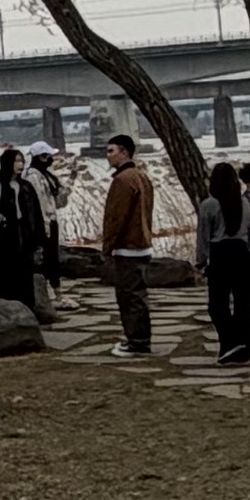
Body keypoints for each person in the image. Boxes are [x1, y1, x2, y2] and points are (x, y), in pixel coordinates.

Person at [197, 156, 250, 363]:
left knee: (217, 304)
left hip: (220, 254)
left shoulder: (209, 205)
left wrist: (200, 261)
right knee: (244, 303)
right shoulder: (243, 202)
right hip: (242, 252)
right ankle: (246, 343)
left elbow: (203, 235)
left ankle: (231, 340)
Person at [99, 134, 158, 356]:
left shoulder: (123, 180)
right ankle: (138, 339)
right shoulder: (142, 177)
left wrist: (107, 246)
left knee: (129, 297)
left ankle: (137, 341)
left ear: (125, 152)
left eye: (111, 151)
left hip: (128, 247)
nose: (108, 156)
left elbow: (115, 217)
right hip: (142, 243)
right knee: (138, 296)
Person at [0, 147, 52, 317]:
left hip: (25, 241)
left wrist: (39, 240)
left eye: (21, 161)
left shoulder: (26, 187)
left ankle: (27, 315)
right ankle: (5, 317)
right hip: (5, 242)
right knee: (4, 279)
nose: (20, 165)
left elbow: (36, 215)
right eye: (16, 161)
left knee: (25, 279)